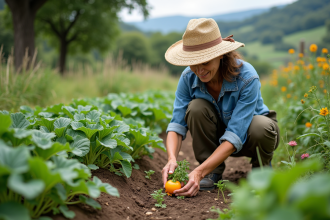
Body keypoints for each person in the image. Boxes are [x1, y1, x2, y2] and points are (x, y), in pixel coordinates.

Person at [161, 18, 279, 197]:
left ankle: (261, 171)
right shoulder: (187, 78)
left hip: (250, 137)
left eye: (205, 62)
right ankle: (213, 172)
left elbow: (236, 134)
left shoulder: (247, 78)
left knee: (260, 127)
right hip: (216, 137)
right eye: (193, 63)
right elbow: (177, 124)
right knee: (196, 108)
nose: (199, 70)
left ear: (220, 55)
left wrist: (198, 171)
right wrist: (171, 159)